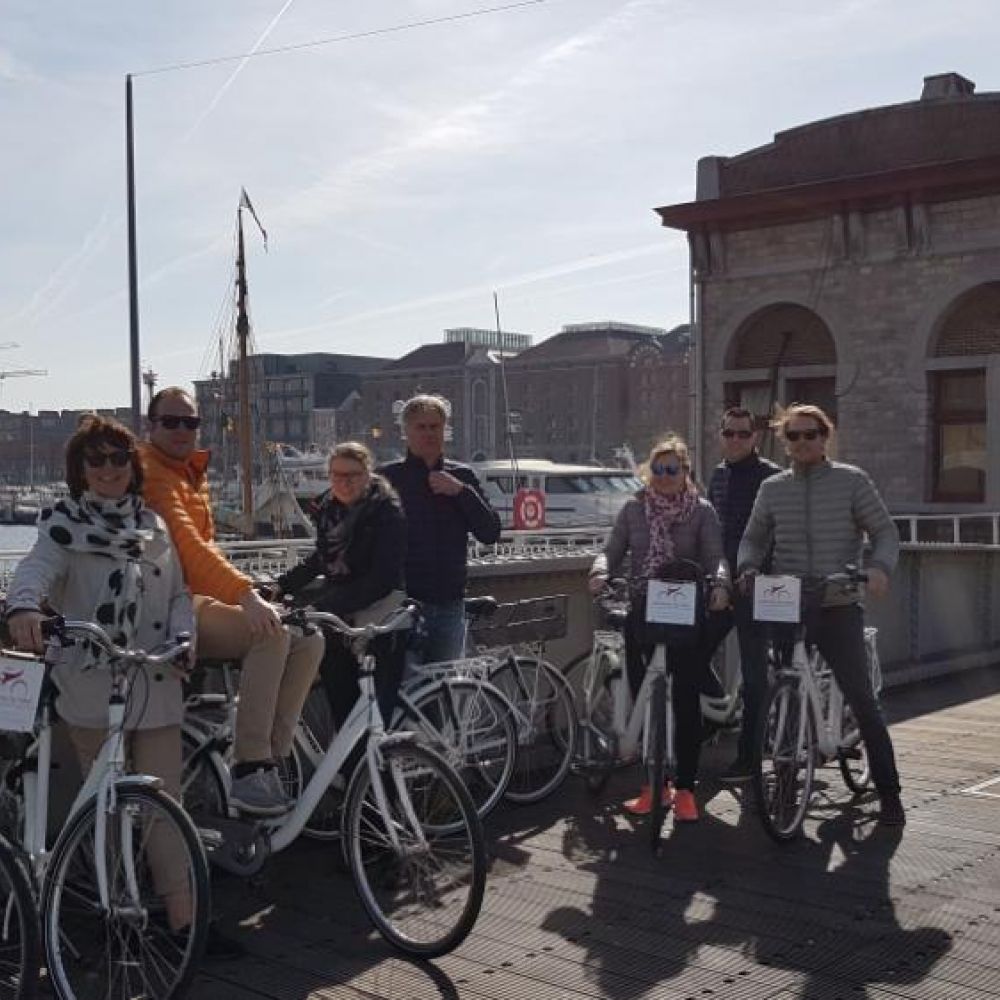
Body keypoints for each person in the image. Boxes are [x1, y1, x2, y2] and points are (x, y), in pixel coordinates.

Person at [6, 414, 194, 933]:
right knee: (103, 805)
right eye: (97, 460)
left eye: (118, 458)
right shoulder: (61, 525)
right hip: (91, 679)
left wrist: (185, 637)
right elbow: (34, 572)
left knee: (164, 804)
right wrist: (22, 608)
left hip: (153, 676)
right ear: (81, 470)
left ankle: (184, 919)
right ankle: (115, 909)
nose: (108, 468)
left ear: (132, 467)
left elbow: (178, 593)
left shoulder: (153, 526)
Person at [139, 387, 324, 817]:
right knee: (269, 634)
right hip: (167, 607)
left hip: (194, 599)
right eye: (171, 421)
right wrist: (244, 596)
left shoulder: (187, 472)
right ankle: (250, 767)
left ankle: (271, 757)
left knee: (310, 639)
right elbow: (187, 547)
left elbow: (209, 548)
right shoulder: (151, 471)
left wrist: (250, 589)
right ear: (152, 426)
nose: (182, 429)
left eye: (190, 422)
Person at [737, 403, 905, 827]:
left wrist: (880, 568)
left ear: (824, 436)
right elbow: (753, 538)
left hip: (838, 600)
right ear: (784, 441)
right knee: (783, 690)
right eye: (793, 436)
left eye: (810, 434)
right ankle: (786, 779)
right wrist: (747, 567)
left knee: (863, 701)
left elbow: (884, 531)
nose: (802, 442)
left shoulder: (852, 481)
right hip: (788, 599)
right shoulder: (773, 488)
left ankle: (889, 793)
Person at [588, 435, 730, 823]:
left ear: (686, 473)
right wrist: (601, 571)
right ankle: (653, 786)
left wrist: (720, 584)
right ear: (649, 473)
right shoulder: (634, 510)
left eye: (674, 470)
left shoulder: (701, 511)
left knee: (684, 698)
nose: (665, 476)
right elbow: (612, 549)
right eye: (659, 470)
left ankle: (685, 788)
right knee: (645, 691)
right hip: (643, 606)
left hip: (685, 610)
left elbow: (716, 557)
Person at [275, 442, 407, 729]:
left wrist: (324, 606)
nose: (344, 482)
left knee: (374, 715)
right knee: (341, 705)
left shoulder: (385, 511)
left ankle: (380, 768)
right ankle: (350, 771)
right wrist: (281, 586)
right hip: (338, 619)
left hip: (377, 619)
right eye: (337, 475)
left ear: (367, 474)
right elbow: (321, 559)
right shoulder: (327, 509)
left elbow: (383, 578)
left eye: (352, 475)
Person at [380, 395, 501, 663]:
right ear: (406, 432)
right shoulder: (388, 478)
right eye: (420, 427)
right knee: (405, 692)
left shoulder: (463, 477)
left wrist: (460, 492)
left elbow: (490, 532)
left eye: (435, 427)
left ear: (444, 429)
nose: (429, 433)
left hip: (450, 605)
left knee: (447, 693)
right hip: (402, 606)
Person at [706, 406, 782, 782]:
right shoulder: (718, 476)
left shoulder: (772, 476)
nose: (735, 439)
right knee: (691, 652)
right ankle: (715, 715)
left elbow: (778, 535)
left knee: (755, 677)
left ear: (754, 438)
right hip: (722, 584)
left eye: (742, 433)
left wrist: (758, 573)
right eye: (729, 433)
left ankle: (749, 758)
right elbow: (710, 531)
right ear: (720, 435)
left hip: (757, 587)